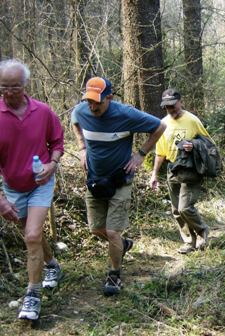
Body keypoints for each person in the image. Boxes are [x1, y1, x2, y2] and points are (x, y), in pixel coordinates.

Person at [71, 77, 166, 296]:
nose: (93, 107)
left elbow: (160, 126)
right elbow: (74, 120)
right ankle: (122, 244)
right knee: (96, 228)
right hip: (95, 180)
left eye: (98, 102)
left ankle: (114, 275)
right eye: (89, 102)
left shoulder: (126, 114)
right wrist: (81, 148)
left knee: (112, 231)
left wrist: (141, 154)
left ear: (110, 98)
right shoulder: (82, 110)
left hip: (121, 180)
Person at [0, 59, 64, 320]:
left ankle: (32, 296)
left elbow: (57, 142)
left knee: (33, 234)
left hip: (40, 184)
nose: (9, 92)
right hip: (12, 187)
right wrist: (1, 198)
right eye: (4, 86)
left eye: (14, 86)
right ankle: (52, 265)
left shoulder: (43, 111)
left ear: (25, 85)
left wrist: (52, 164)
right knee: (32, 237)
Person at [150, 88, 210, 254]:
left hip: (190, 169)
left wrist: (195, 145)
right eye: (167, 107)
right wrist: (154, 173)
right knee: (176, 210)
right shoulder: (163, 123)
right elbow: (160, 151)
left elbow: (208, 145)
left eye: (173, 105)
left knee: (185, 207)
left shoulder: (192, 120)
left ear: (180, 102)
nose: (171, 109)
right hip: (172, 168)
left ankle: (202, 231)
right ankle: (189, 241)